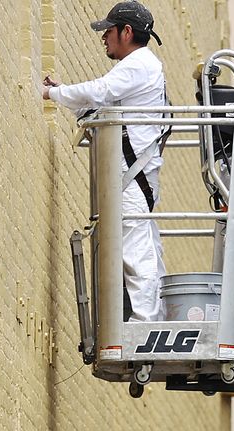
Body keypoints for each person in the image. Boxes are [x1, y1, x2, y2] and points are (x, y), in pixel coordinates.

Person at [43, 1, 168, 321]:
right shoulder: (142, 67)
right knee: (144, 250)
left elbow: (101, 91)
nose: (104, 38)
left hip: (132, 180)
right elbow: (98, 109)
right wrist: (66, 95)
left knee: (137, 254)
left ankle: (144, 329)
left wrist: (52, 95)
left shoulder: (139, 63)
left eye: (108, 31)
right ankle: (151, 322)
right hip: (136, 178)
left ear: (127, 32)